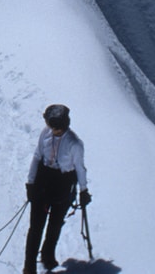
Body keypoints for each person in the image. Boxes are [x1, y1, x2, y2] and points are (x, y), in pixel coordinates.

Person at [24, 104, 90, 273]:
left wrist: (84, 190)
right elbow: (37, 156)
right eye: (51, 126)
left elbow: (79, 167)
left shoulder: (75, 144)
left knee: (55, 224)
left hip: (62, 184)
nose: (54, 130)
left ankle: (47, 255)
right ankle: (29, 266)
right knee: (36, 226)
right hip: (43, 181)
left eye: (57, 127)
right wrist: (30, 183)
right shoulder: (45, 134)